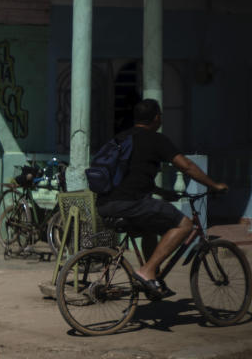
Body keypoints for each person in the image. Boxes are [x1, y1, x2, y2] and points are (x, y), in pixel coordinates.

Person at [96, 99, 228, 298]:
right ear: (156, 118)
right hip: (132, 203)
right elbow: (187, 166)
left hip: (106, 204)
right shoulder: (156, 139)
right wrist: (214, 185)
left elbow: (129, 176)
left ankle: (152, 281)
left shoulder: (122, 138)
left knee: (151, 229)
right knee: (184, 225)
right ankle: (147, 271)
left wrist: (162, 192)